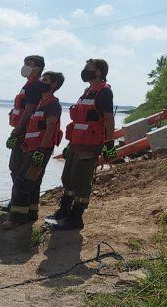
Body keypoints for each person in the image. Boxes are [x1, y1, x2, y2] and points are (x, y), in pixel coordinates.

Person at [47, 59, 116, 230]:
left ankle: (76, 218)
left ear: (99, 72)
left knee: (81, 180)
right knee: (68, 178)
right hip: (77, 143)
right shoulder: (87, 92)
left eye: (88, 68)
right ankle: (64, 212)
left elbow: (108, 119)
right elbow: (79, 121)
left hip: (90, 145)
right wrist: (70, 144)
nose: (84, 71)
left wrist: (109, 144)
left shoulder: (104, 92)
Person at [2, 71, 65, 230]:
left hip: (40, 149)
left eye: (46, 79)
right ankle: (31, 213)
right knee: (33, 181)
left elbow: (50, 128)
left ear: (54, 84)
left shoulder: (52, 104)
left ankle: (17, 218)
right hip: (31, 147)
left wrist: (42, 150)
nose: (41, 81)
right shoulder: (40, 104)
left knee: (22, 182)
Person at [4, 55, 46, 211]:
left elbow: (28, 111)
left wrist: (16, 132)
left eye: (30, 64)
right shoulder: (28, 85)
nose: (26, 66)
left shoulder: (35, 86)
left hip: (26, 135)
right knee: (17, 168)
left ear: (39, 68)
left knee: (19, 169)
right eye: (25, 63)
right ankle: (23, 203)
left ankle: (20, 203)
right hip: (24, 133)